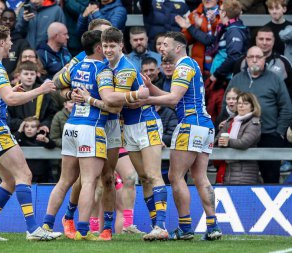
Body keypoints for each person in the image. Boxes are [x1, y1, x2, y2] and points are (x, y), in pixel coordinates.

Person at [0, 25, 61, 241]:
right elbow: (9, 100)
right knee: (25, 175)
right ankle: (33, 229)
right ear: (2, 42)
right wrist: (40, 89)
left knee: (10, 180)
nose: (12, 43)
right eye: (9, 39)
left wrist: (12, 90)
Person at [80, 27, 168, 240]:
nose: (109, 50)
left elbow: (114, 104)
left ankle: (161, 226)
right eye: (106, 46)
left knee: (153, 174)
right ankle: (156, 226)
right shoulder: (107, 67)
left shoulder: (126, 68)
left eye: (113, 46)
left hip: (146, 122)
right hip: (129, 127)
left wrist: (88, 99)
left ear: (121, 46)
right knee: (144, 177)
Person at [144, 31, 222, 241]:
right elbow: (176, 98)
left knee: (175, 176)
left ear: (178, 47)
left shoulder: (183, 67)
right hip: (204, 125)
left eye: (165, 45)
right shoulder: (190, 65)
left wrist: (145, 99)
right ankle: (213, 226)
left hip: (190, 124)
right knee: (200, 176)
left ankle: (186, 227)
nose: (161, 48)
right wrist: (153, 89)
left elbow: (173, 100)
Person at [46, 29, 121, 241]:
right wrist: (90, 99)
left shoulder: (76, 66)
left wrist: (70, 94)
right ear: (99, 48)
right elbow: (111, 104)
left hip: (71, 126)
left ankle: (46, 225)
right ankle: (83, 230)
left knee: (64, 180)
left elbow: (56, 83)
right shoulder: (104, 71)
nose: (107, 49)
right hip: (91, 127)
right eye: (104, 45)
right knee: (89, 181)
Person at [224, 46, 292, 184]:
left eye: (258, 57)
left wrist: (279, 132)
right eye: (251, 57)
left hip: (269, 135)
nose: (255, 60)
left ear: (264, 59)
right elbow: (226, 104)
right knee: (243, 177)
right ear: (246, 59)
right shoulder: (237, 79)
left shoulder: (275, 79)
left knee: (271, 178)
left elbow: (286, 107)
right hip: (240, 137)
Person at [233, 26, 292, 98]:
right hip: (247, 106)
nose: (264, 43)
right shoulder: (242, 61)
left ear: (273, 41)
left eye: (268, 39)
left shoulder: (284, 62)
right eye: (261, 39)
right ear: (256, 40)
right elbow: (234, 88)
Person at [216, 92, 262, 184]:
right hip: (227, 168)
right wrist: (219, 141)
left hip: (246, 170)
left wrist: (228, 142)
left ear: (252, 106)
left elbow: (244, 142)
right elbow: (216, 139)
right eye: (239, 103)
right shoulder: (230, 121)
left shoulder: (254, 123)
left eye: (245, 104)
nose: (241, 106)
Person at [7, 61, 56, 134]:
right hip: (16, 132)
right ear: (19, 75)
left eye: (32, 74)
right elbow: (7, 116)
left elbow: (51, 114)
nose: (29, 77)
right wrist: (22, 124)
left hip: (38, 133)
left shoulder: (44, 92)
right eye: (26, 74)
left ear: (36, 75)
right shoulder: (12, 92)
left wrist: (44, 125)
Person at [174, 0, 221, 76]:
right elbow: (186, 41)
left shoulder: (224, 12)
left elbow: (214, 39)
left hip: (219, 65)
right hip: (200, 65)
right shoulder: (195, 14)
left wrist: (202, 25)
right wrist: (194, 27)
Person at [14, 116, 56, 183]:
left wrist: (46, 140)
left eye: (32, 127)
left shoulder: (40, 138)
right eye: (26, 126)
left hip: (41, 176)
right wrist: (19, 130)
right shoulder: (20, 138)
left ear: (38, 129)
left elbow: (52, 145)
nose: (29, 129)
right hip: (24, 175)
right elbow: (12, 143)